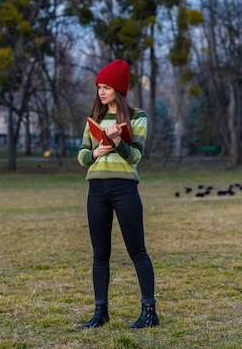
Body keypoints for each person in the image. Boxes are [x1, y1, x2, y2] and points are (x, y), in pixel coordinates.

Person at [77, 59, 159, 329]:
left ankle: (149, 312)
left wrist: (117, 143)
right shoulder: (94, 120)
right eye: (99, 87)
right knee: (100, 253)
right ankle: (101, 311)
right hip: (97, 190)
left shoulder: (138, 117)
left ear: (119, 89)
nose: (101, 92)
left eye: (107, 87)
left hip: (124, 189)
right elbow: (81, 156)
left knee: (137, 250)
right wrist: (94, 153)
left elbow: (135, 156)